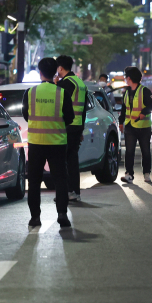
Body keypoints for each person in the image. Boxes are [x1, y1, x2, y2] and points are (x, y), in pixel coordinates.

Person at [22, 58, 75, 229]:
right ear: (54, 72)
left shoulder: (30, 93)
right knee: (60, 180)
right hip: (57, 143)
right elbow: (70, 117)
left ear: (40, 72)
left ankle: (35, 218)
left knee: (34, 182)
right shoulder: (62, 93)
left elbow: (26, 115)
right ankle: (62, 214)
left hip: (36, 143)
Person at [56, 55, 87, 202]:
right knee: (73, 160)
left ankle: (68, 191)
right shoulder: (80, 82)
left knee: (63, 161)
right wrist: (81, 129)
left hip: (67, 126)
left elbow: (60, 104)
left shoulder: (66, 83)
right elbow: (84, 109)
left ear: (60, 68)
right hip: (77, 125)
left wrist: (56, 85)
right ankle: (76, 192)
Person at [119, 66, 152, 183]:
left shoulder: (144, 91)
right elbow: (124, 109)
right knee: (129, 151)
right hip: (130, 126)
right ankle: (129, 174)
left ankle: (147, 173)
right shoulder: (126, 92)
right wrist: (121, 123)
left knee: (145, 151)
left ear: (129, 78)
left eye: (126, 76)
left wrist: (144, 113)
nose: (125, 79)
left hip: (143, 128)